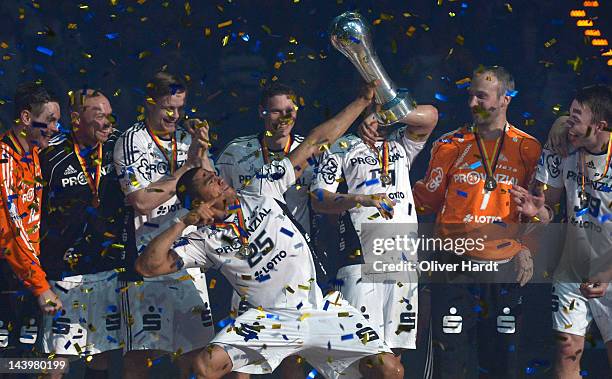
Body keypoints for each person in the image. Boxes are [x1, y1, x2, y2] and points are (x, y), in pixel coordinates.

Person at [135, 81, 407, 379]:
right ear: (199, 200)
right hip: (268, 319)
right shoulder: (203, 240)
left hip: (317, 307)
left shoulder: (262, 188)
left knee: (388, 368)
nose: (218, 177)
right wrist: (183, 223)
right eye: (208, 179)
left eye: (214, 174)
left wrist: (361, 100)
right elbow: (147, 266)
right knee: (206, 366)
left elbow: (316, 141)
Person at [362, 66, 540, 378]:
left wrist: (527, 247)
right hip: (453, 266)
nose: (472, 103)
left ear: (505, 99)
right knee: (449, 363)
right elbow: (425, 202)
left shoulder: (528, 148)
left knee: (503, 364)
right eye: (470, 95)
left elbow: (537, 209)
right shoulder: (449, 144)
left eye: (481, 96)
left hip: (503, 266)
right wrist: (385, 187)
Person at [310, 102, 438, 373]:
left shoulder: (401, 144)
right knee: (359, 356)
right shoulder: (341, 146)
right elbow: (318, 197)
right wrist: (359, 198)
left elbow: (430, 117)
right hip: (361, 259)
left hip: (403, 261)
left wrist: (382, 115)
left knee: (395, 355)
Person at [215, 82, 328, 378]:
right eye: (276, 110)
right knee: (244, 357)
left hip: (295, 269)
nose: (284, 117)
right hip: (251, 266)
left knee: (294, 356)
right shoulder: (236, 153)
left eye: (290, 110)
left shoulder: (313, 153)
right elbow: (214, 199)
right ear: (262, 112)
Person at [113, 71, 214, 379]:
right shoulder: (131, 141)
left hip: (188, 258)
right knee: (141, 353)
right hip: (149, 259)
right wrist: (186, 168)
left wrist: (203, 152)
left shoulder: (187, 140)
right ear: (149, 103)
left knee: (195, 355)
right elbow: (141, 200)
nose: (176, 115)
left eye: (181, 108)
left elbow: (211, 192)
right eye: (168, 107)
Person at [512, 84, 612, 378]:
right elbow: (550, 207)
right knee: (567, 349)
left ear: (599, 126)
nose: (568, 122)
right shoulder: (560, 149)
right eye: (568, 114)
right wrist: (537, 211)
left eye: (576, 116)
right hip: (573, 267)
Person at [38, 89, 129, 378]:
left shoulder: (120, 146)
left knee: (101, 356)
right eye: (99, 115)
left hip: (108, 269)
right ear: (76, 118)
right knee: (57, 360)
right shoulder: (50, 154)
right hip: (62, 273)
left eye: (109, 115)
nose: (107, 123)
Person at [0, 82, 60, 357]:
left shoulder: (32, 153)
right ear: (26, 118)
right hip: (9, 277)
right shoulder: (4, 160)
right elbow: (13, 230)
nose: (56, 128)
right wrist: (40, 285)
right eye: (50, 120)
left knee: (25, 363)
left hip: (23, 276)